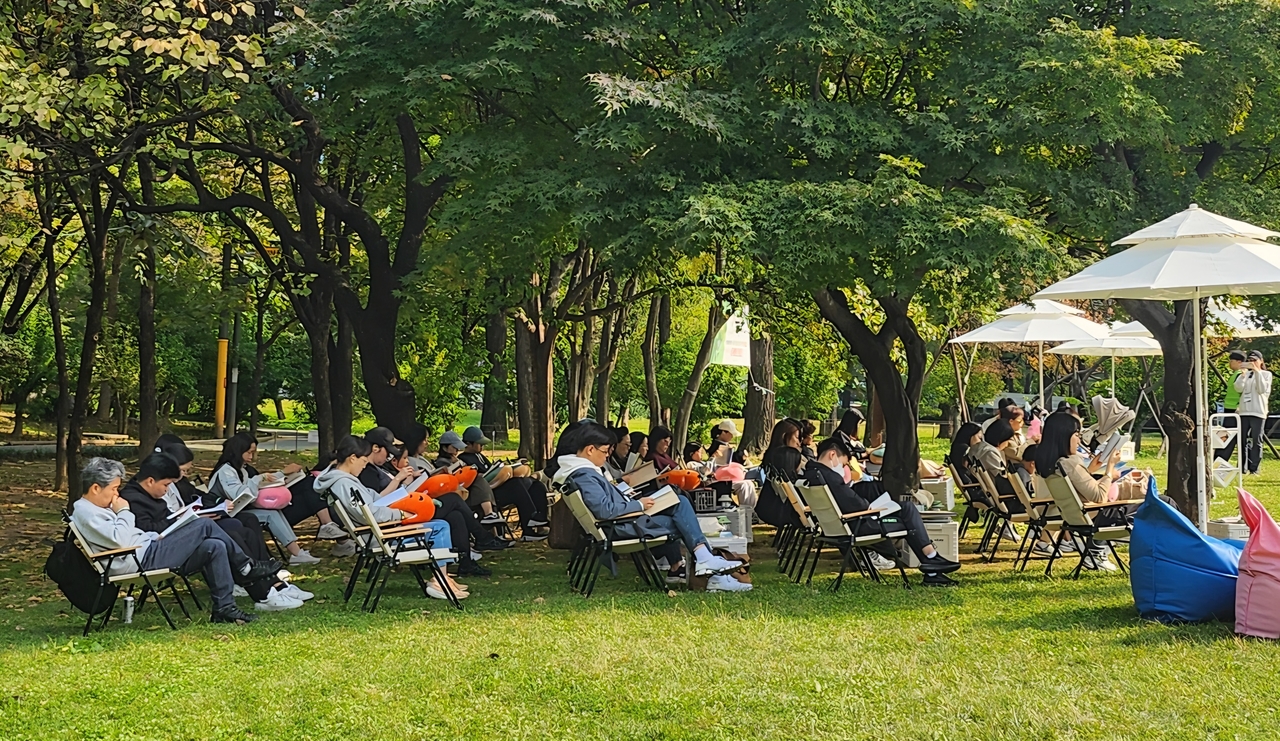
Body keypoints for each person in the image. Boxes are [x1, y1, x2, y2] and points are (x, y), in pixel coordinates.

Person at [71, 458, 281, 624]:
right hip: (138, 561)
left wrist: (152, 536)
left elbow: (125, 536)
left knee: (213, 546)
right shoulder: (86, 512)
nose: (117, 493)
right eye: (114, 489)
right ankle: (245, 567)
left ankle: (224, 609)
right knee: (203, 525)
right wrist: (124, 511)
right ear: (96, 488)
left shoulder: (97, 508)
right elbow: (121, 540)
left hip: (145, 550)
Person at [552, 422, 749, 592]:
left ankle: (708, 564)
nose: (605, 457)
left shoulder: (579, 472)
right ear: (590, 450)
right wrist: (638, 504)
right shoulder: (584, 475)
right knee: (681, 511)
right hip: (623, 527)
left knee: (677, 500)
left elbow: (604, 505)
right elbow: (604, 510)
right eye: (604, 452)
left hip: (621, 523)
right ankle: (709, 566)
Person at [120, 452, 305, 611]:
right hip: (155, 551)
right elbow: (147, 530)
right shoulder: (132, 498)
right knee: (205, 526)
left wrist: (183, 517)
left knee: (216, 544)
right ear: (151, 480)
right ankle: (250, 572)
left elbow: (166, 519)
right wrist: (183, 521)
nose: (167, 490)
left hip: (168, 545)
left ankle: (227, 606)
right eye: (166, 485)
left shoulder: (151, 495)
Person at [314, 435, 476, 591]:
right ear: (352, 458)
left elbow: (374, 502)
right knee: (440, 526)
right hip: (383, 538)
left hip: (379, 534)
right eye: (363, 461)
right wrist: (401, 514)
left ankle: (442, 577)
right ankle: (440, 579)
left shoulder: (343, 481)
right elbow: (369, 514)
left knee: (443, 520)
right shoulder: (345, 484)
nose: (364, 466)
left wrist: (403, 500)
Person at [804, 434, 961, 586]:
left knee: (905, 511)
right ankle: (931, 559)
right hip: (858, 525)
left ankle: (932, 566)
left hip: (840, 526)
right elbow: (858, 505)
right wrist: (871, 506)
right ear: (832, 455)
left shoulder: (813, 476)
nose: (844, 468)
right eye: (844, 464)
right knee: (907, 510)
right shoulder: (830, 477)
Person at [1034, 411, 1140, 570]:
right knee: (1161, 504)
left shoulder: (1053, 462)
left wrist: (1090, 470)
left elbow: (1075, 486)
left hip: (1075, 517)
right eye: (1076, 434)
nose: (1079, 439)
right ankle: (1095, 552)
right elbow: (1099, 497)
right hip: (1094, 516)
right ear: (1064, 436)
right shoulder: (1070, 463)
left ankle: (1095, 553)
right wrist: (1109, 469)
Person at [207, 432, 320, 566]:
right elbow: (238, 494)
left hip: (237, 510)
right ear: (238, 451)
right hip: (226, 513)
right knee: (270, 515)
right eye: (249, 452)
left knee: (274, 512)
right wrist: (258, 480)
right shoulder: (226, 471)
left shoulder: (239, 469)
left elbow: (249, 486)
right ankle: (296, 554)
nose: (251, 456)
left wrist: (274, 478)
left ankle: (296, 552)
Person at [459, 426, 550, 541]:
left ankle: (539, 519)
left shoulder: (479, 455)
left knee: (535, 485)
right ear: (468, 444)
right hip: (489, 495)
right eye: (479, 444)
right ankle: (528, 527)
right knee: (517, 485)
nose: (482, 446)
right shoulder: (464, 459)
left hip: (499, 486)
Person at [756, 419, 804, 528]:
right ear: (784, 436)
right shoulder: (786, 456)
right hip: (785, 512)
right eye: (796, 437)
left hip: (768, 506)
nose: (799, 442)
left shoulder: (771, 455)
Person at [1236, 350, 1273, 475]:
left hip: (1258, 411)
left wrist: (1257, 371)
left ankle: (1254, 467)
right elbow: (1238, 388)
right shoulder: (1246, 375)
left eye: (1255, 360)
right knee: (1242, 440)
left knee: (1256, 440)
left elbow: (1262, 389)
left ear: (1261, 361)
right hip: (1244, 411)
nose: (1252, 363)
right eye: (1250, 361)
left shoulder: (1266, 374)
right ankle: (1242, 467)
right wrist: (1242, 375)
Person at [1216, 350, 1246, 461]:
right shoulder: (1235, 374)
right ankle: (1219, 457)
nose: (1230, 363)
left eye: (1231, 361)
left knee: (1228, 436)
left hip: (1235, 409)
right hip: (1228, 407)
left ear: (1239, 362)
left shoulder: (1241, 375)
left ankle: (1221, 458)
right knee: (1225, 435)